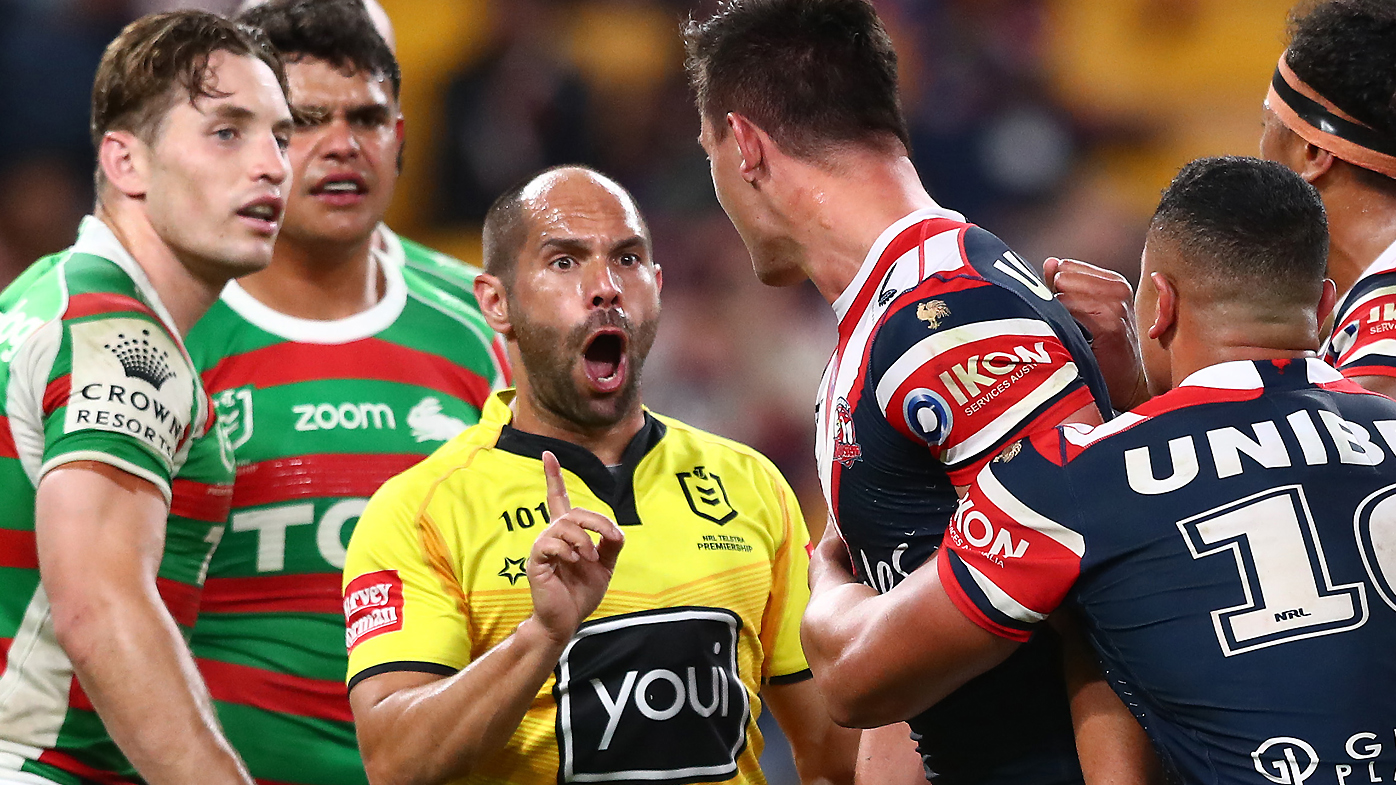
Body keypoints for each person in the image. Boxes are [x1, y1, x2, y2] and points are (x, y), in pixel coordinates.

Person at [803, 154, 1396, 784]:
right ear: (1325, 306)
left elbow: (854, 680)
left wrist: (830, 573)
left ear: (1160, 305)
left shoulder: (1072, 477)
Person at [683, 2, 1142, 783]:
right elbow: (919, 690)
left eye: (710, 154)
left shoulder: (952, 315)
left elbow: (1103, 602)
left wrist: (829, 598)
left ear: (746, 145)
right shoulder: (884, 319)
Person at [342, 165, 858, 785]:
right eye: (564, 262)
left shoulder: (752, 485)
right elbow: (395, 764)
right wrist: (542, 636)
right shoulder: (420, 511)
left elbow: (834, 754)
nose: (606, 287)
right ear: (496, 302)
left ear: (657, 287)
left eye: (628, 260)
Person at [176, 3, 508, 785]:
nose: (342, 146)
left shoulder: (487, 321)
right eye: (305, 121)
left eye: (366, 118)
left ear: (401, 134)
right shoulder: (168, 325)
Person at [0, 11, 293, 785]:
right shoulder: (119, 339)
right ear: (125, 161)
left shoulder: (45, 294)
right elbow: (100, 610)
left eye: (280, 137)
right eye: (227, 132)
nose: (271, 166)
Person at [1051, 0, 1396, 407]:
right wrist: (1138, 392)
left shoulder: (1383, 331)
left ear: (1312, 154)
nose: (1258, 149)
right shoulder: (1366, 311)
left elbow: (1334, 443)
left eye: (1267, 127)